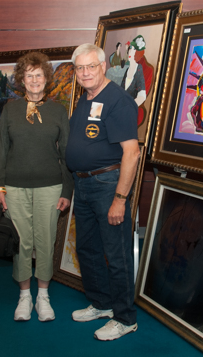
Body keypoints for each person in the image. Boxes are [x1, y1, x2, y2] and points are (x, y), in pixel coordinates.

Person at [65, 43, 140, 341]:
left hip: (108, 187)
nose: (85, 73)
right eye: (79, 68)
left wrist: (120, 200)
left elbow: (131, 154)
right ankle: (101, 303)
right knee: (87, 249)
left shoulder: (118, 101)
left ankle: (125, 318)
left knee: (117, 254)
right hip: (83, 185)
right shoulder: (85, 99)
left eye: (90, 67)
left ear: (102, 67)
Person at [0, 51, 73, 323]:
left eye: (39, 75)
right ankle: (24, 296)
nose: (35, 80)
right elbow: (1, 150)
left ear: (46, 79)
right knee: (22, 242)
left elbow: (67, 154)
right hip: (14, 188)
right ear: (22, 80)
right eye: (29, 75)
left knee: (46, 240)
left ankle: (43, 296)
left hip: (50, 186)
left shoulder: (58, 111)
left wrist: (66, 190)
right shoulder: (10, 110)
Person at [121, 36, 147, 107]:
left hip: (129, 110)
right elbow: (121, 91)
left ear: (138, 53)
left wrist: (130, 107)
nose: (130, 52)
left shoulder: (139, 68)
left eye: (133, 49)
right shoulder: (127, 70)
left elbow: (142, 96)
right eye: (130, 49)